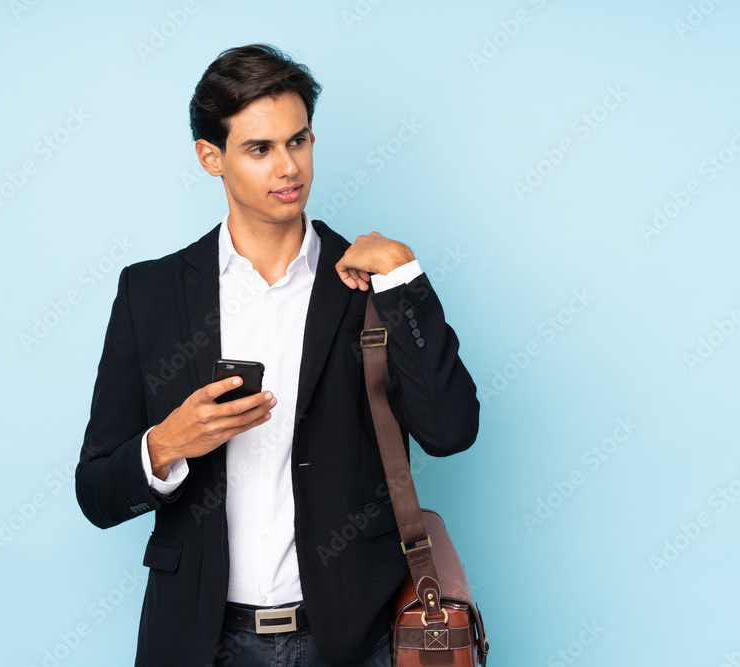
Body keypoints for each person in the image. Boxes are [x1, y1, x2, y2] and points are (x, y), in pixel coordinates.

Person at [75, 43, 480, 667]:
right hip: (199, 640)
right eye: (260, 149)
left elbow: (450, 432)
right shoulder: (149, 293)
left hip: (354, 639)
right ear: (211, 157)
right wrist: (166, 445)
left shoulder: (371, 285)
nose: (289, 167)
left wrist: (405, 279)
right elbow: (97, 495)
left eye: (299, 141)